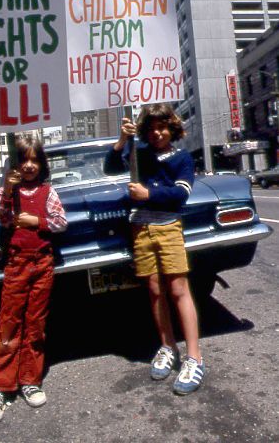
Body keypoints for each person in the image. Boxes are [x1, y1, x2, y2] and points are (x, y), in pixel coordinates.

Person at [104, 104, 204, 396]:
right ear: (145, 131)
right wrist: (122, 140)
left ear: (172, 128)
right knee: (154, 289)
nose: (157, 133)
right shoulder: (139, 154)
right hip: (140, 229)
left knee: (178, 289)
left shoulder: (182, 157)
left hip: (168, 227)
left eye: (163, 127)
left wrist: (149, 194)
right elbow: (111, 167)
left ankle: (194, 357)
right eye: (151, 128)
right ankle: (167, 345)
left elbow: (181, 194)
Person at [0, 136, 67, 424]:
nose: (29, 165)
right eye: (23, 160)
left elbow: (60, 222)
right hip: (17, 264)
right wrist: (7, 190)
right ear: (15, 164)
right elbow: (4, 219)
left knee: (36, 323)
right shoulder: (9, 191)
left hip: (42, 264)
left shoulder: (48, 191)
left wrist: (38, 222)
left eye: (34, 160)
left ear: (41, 164)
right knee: (9, 322)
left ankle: (30, 379)